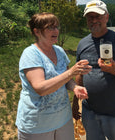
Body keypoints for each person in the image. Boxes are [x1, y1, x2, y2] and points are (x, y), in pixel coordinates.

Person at [16, 12, 92, 140]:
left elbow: (67, 80)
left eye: (56, 27)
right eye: (50, 27)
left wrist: (74, 87)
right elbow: (41, 89)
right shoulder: (30, 54)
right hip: (37, 125)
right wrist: (71, 72)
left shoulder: (59, 51)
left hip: (63, 120)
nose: (55, 30)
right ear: (37, 32)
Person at [72, 0, 115, 140]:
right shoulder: (82, 43)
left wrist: (114, 70)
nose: (94, 20)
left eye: (98, 16)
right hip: (89, 111)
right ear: (86, 20)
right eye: (90, 17)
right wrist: (75, 103)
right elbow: (79, 75)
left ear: (107, 17)